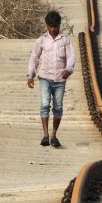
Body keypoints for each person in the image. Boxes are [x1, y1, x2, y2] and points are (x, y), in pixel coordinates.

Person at [27, 11, 75, 148]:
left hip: (60, 79)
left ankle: (54, 134)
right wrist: (30, 75)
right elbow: (34, 58)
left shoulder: (65, 40)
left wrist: (68, 69)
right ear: (47, 26)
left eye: (56, 26)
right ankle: (45, 135)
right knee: (44, 104)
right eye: (51, 27)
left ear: (59, 25)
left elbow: (71, 56)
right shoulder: (41, 40)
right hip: (45, 77)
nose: (53, 29)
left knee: (58, 107)